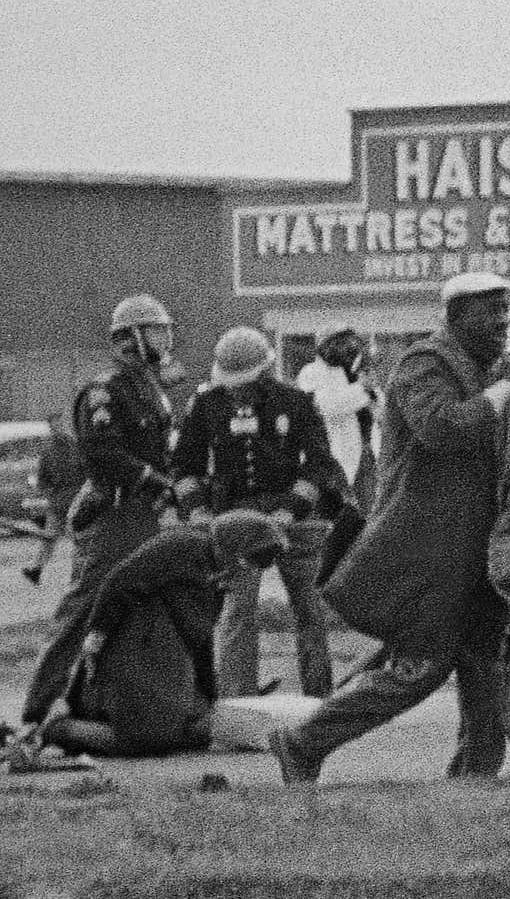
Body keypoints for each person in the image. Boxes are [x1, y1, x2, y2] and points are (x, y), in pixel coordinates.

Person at [267, 271, 510, 785]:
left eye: (504, 308)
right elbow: (442, 429)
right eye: (488, 310)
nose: (502, 320)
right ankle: (303, 741)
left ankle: (475, 780)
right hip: (427, 549)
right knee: (419, 670)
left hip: (477, 551)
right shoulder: (423, 365)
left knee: (484, 664)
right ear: (455, 317)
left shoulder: (490, 368)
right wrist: (498, 395)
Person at [17, 295, 178, 739]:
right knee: (84, 609)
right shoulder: (104, 390)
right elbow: (102, 452)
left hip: (145, 513)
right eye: (155, 329)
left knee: (142, 610)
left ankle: (117, 708)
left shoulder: (151, 386)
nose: (166, 337)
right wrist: (154, 480)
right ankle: (34, 714)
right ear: (131, 337)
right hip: (112, 512)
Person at [171, 326, 345, 699]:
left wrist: (291, 509)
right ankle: (238, 698)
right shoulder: (207, 405)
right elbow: (184, 466)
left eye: (245, 382)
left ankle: (320, 697)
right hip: (235, 519)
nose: (237, 390)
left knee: (310, 609)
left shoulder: (296, 403)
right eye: (231, 383)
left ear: (265, 372)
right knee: (237, 611)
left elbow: (320, 465)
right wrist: (198, 511)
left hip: (292, 517)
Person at [29, 511, 286, 757]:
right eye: (246, 561)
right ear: (234, 543)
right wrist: (97, 634)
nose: (246, 571)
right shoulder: (184, 544)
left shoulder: (217, 568)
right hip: (135, 647)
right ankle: (59, 729)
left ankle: (100, 730)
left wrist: (210, 697)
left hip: (167, 658)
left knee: (195, 734)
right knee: (144, 741)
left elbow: (201, 635)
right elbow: (119, 581)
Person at [295, 321, 381, 513]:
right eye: (340, 342)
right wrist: (362, 390)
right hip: (334, 453)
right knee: (340, 510)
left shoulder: (357, 372)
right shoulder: (311, 373)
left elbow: (380, 409)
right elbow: (325, 406)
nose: (347, 348)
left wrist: (372, 393)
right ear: (325, 346)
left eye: (349, 342)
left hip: (367, 450)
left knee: (371, 511)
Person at [21, 414, 86, 586]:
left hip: (74, 500)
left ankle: (77, 574)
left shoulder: (74, 447)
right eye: (54, 425)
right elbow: (42, 479)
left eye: (59, 424)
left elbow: (85, 472)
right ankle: (36, 570)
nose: (58, 428)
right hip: (60, 502)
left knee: (77, 539)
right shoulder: (51, 451)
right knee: (50, 538)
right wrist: (47, 491)